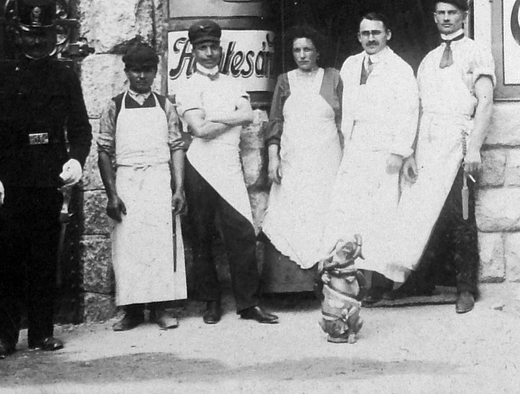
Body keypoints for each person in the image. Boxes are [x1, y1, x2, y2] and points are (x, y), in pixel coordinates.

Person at [0, 0, 92, 360]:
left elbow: (80, 128)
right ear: (18, 34)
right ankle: (4, 337)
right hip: (12, 181)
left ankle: (42, 332)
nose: (36, 40)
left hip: (48, 179)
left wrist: (76, 159)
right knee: (10, 261)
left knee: (45, 260)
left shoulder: (64, 75)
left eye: (43, 34)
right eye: (30, 34)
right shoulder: (3, 76)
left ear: (53, 35)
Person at [383, 0, 494, 314]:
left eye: (452, 12)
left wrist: (474, 147)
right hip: (429, 145)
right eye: (440, 13)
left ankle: (465, 288)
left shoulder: (476, 52)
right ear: (434, 18)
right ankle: (421, 280)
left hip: (459, 142)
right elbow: (418, 110)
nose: (446, 18)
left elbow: (485, 102)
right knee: (423, 213)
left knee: (460, 214)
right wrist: (412, 154)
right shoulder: (429, 60)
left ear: (463, 16)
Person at [174, 20, 278, 325]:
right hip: (200, 167)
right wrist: (232, 118)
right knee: (202, 235)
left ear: (220, 48)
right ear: (193, 51)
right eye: (203, 47)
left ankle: (248, 304)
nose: (209, 53)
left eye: (213, 46)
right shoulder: (188, 85)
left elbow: (249, 114)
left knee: (242, 233)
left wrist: (218, 117)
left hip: (229, 168)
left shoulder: (233, 82)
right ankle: (211, 302)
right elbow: (200, 130)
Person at [323, 12, 419, 302]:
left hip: (385, 150)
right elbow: (346, 109)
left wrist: (399, 152)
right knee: (351, 212)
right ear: (358, 37)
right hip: (356, 148)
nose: (371, 39)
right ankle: (348, 279)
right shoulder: (351, 65)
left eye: (376, 33)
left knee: (380, 216)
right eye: (365, 34)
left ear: (388, 34)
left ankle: (378, 283)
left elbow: (409, 110)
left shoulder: (400, 68)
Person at [96, 39, 188, 331]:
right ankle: (132, 311)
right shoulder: (114, 107)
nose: (141, 76)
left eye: (147, 70)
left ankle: (161, 308)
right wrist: (112, 194)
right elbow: (104, 151)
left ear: (155, 72)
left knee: (161, 243)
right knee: (129, 246)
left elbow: (176, 146)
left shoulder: (165, 106)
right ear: (126, 72)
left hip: (159, 179)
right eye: (135, 70)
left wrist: (179, 188)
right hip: (127, 181)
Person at [261, 26, 343, 272]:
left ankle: (328, 274)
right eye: (297, 50)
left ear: (318, 52)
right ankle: (295, 281)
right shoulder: (285, 81)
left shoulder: (333, 77)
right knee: (293, 214)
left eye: (307, 49)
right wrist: (273, 159)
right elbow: (275, 122)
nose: (302, 55)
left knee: (325, 212)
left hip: (327, 159)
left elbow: (343, 122)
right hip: (294, 160)